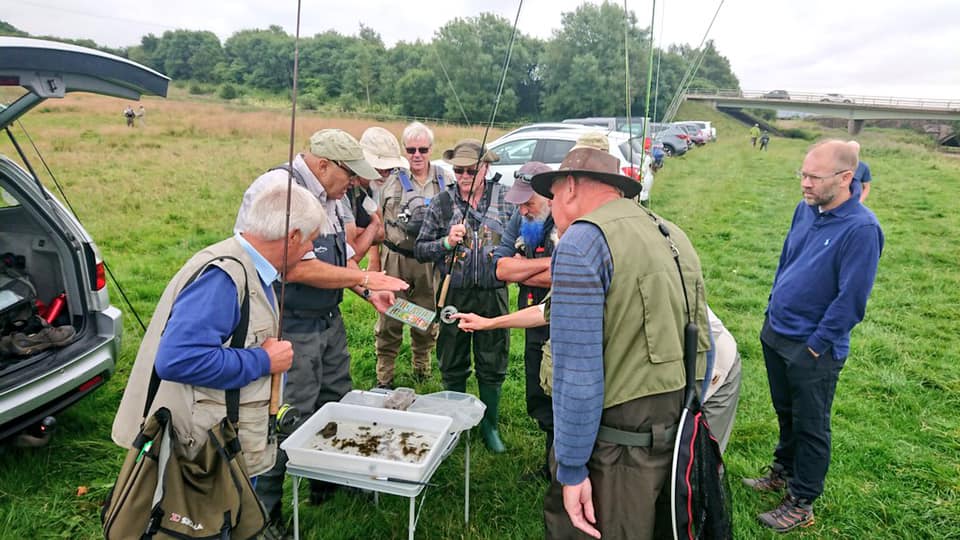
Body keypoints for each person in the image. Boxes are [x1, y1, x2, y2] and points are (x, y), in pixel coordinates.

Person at [530, 145, 710, 539]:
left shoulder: (583, 241)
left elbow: (577, 372)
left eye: (553, 195)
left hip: (614, 446)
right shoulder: (670, 231)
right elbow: (703, 340)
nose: (551, 207)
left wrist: (573, 468)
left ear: (572, 186)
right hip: (678, 426)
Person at [235, 129, 404, 529]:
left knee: (336, 399)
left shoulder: (333, 197)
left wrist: (368, 293)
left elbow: (343, 259)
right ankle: (267, 511)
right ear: (324, 164)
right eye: (350, 175)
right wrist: (364, 281)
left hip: (329, 319)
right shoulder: (280, 190)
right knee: (287, 414)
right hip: (287, 323)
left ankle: (325, 480)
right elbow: (296, 266)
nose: (354, 184)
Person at [111, 182, 325, 482]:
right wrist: (263, 361)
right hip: (204, 454)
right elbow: (178, 360)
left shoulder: (250, 266)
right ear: (292, 236)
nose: (311, 249)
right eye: (310, 240)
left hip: (224, 444)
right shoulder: (223, 279)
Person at [744, 139, 883, 533]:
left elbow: (851, 301)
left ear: (844, 178)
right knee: (786, 414)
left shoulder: (862, 230)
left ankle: (802, 500)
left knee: (811, 425)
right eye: (802, 174)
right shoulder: (805, 210)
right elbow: (787, 259)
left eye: (813, 177)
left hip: (813, 350)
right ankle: (782, 471)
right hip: (777, 335)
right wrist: (773, 309)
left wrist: (815, 346)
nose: (804, 183)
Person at [414, 138, 513, 453]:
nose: (465, 175)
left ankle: (490, 426)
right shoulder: (441, 202)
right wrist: (445, 242)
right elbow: (420, 248)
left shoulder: (507, 199)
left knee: (492, 360)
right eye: (459, 170)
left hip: (493, 294)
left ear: (486, 167)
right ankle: (453, 426)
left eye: (471, 169)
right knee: (452, 359)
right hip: (453, 293)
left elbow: (524, 237)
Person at [489, 160, 555, 475]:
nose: (524, 211)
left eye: (529, 203)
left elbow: (568, 273)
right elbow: (501, 268)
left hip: (563, 319)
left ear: (549, 196)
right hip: (531, 317)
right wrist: (544, 267)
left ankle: (563, 467)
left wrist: (524, 269)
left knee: (561, 391)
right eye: (520, 204)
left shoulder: (568, 220)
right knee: (538, 390)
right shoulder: (520, 216)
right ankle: (551, 463)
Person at [372, 122, 447, 388]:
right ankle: (385, 374)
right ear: (405, 150)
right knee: (390, 315)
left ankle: (421, 366)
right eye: (411, 149)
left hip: (429, 261)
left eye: (423, 149)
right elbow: (377, 226)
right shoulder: (389, 181)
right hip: (395, 257)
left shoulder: (443, 180)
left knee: (426, 316)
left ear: (430, 150)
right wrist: (374, 264)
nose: (417, 155)